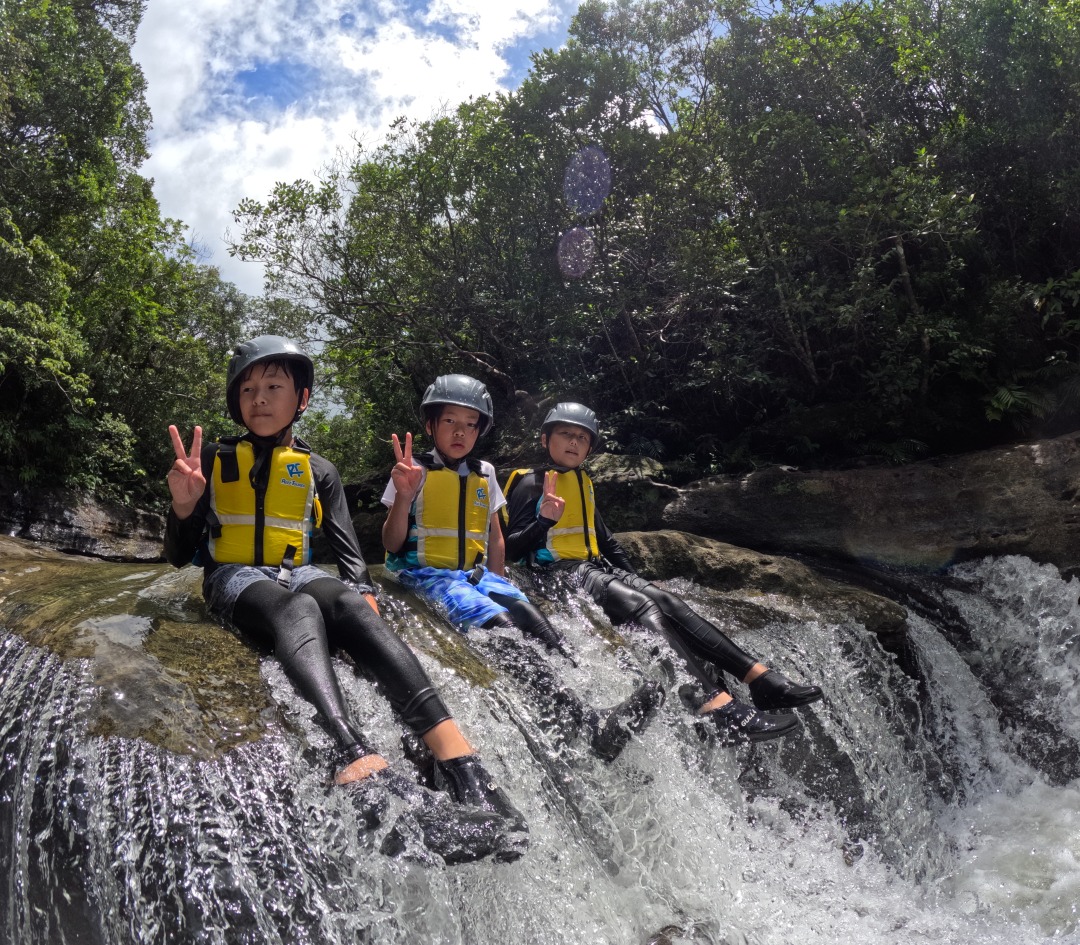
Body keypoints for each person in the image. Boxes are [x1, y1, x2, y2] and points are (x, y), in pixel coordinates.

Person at [162, 335, 527, 863]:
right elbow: (178, 554)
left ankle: (463, 764)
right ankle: (353, 761)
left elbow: (347, 548)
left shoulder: (319, 469)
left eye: (273, 387)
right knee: (299, 608)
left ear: (302, 399)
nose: (259, 398)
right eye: (248, 389)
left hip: (298, 569)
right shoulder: (211, 461)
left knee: (348, 605)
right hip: (234, 578)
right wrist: (183, 506)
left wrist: (362, 590)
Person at [502, 402, 824, 745]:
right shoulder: (532, 483)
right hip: (556, 574)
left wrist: (638, 578)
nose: (574, 442)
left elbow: (607, 541)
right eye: (566, 434)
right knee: (641, 606)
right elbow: (510, 551)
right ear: (545, 439)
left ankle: (761, 680)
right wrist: (544, 520)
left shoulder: (583, 482)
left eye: (582, 437)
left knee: (666, 600)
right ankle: (713, 707)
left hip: (592, 568)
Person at [381, 374, 664, 762]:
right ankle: (582, 722)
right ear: (431, 425)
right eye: (449, 421)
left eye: (470, 423)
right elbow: (391, 543)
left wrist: (498, 581)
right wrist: (404, 496)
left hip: (475, 575)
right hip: (427, 574)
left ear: (480, 430)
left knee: (535, 622)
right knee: (504, 627)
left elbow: (495, 535)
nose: (460, 431)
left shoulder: (485, 472)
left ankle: (583, 702)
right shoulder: (412, 470)